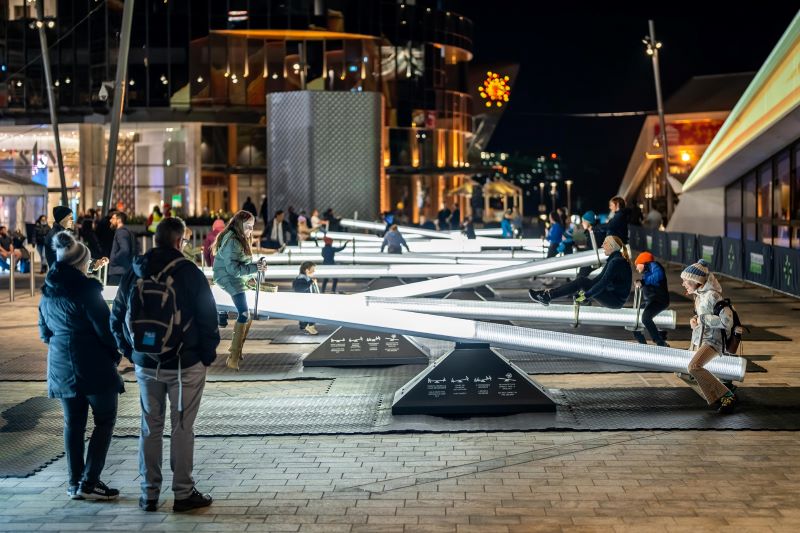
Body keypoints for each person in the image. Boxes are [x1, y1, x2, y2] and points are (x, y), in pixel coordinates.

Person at [110, 217, 220, 512]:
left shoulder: (135, 271)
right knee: (183, 427)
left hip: (146, 363)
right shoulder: (189, 272)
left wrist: (131, 352)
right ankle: (183, 493)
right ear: (178, 241)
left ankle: (149, 494)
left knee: (150, 427)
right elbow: (208, 317)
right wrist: (207, 354)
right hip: (186, 364)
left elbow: (117, 315)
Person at [39, 231, 123, 500]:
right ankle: (90, 479)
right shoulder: (87, 290)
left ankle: (74, 483)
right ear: (79, 264)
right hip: (93, 365)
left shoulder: (47, 293)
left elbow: (45, 333)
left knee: (73, 424)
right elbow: (105, 328)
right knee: (105, 419)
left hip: (61, 366)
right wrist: (114, 354)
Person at [680, 259, 738, 414]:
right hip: (700, 339)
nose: (683, 284)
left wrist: (702, 319)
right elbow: (702, 316)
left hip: (712, 341)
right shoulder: (699, 296)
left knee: (693, 367)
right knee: (683, 371)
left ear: (695, 281)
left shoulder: (712, 296)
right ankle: (722, 391)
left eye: (685, 281)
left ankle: (726, 395)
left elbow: (727, 322)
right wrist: (695, 320)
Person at [213, 210, 268, 370]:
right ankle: (233, 357)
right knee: (244, 314)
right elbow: (233, 270)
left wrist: (254, 267)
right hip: (229, 278)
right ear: (239, 225)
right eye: (248, 227)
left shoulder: (238, 237)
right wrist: (254, 267)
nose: (251, 230)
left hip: (234, 277)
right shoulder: (233, 241)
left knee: (247, 314)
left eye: (252, 226)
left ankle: (237, 350)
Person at [529, 235, 632, 308]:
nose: (602, 246)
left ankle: (548, 296)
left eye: (605, 243)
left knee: (582, 281)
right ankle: (548, 295)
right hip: (614, 297)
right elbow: (598, 279)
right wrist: (585, 294)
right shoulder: (615, 260)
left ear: (612, 246)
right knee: (583, 282)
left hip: (615, 301)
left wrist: (585, 295)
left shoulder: (616, 262)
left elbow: (602, 283)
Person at [633, 251, 670, 347]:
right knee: (634, 316)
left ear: (643, 262)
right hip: (651, 301)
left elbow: (659, 276)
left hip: (659, 300)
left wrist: (643, 282)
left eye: (637, 265)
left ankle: (660, 342)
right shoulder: (646, 272)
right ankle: (642, 342)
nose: (636, 268)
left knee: (645, 318)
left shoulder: (654, 265)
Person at [107, 212, 138, 286]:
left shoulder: (121, 232)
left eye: (113, 218)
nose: (110, 220)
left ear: (119, 220)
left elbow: (125, 250)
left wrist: (114, 260)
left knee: (112, 295)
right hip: (121, 271)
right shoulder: (123, 232)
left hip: (118, 272)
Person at [292, 261, 320, 335]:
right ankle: (308, 326)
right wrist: (311, 282)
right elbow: (300, 288)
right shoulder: (301, 279)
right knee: (308, 314)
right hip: (304, 302)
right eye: (312, 269)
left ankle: (308, 326)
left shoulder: (305, 278)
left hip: (306, 301)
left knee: (309, 313)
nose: (314, 271)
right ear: (307, 270)